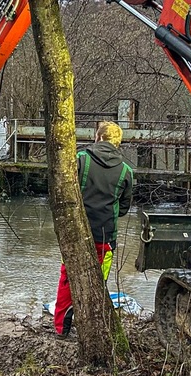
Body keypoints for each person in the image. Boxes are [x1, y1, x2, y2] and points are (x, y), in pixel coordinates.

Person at [53, 121, 134, 336]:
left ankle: (61, 328)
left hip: (76, 231)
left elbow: (64, 189)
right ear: (118, 143)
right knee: (98, 282)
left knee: (67, 279)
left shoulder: (80, 159)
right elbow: (124, 208)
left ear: (98, 137)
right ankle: (92, 329)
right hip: (105, 236)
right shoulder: (126, 171)